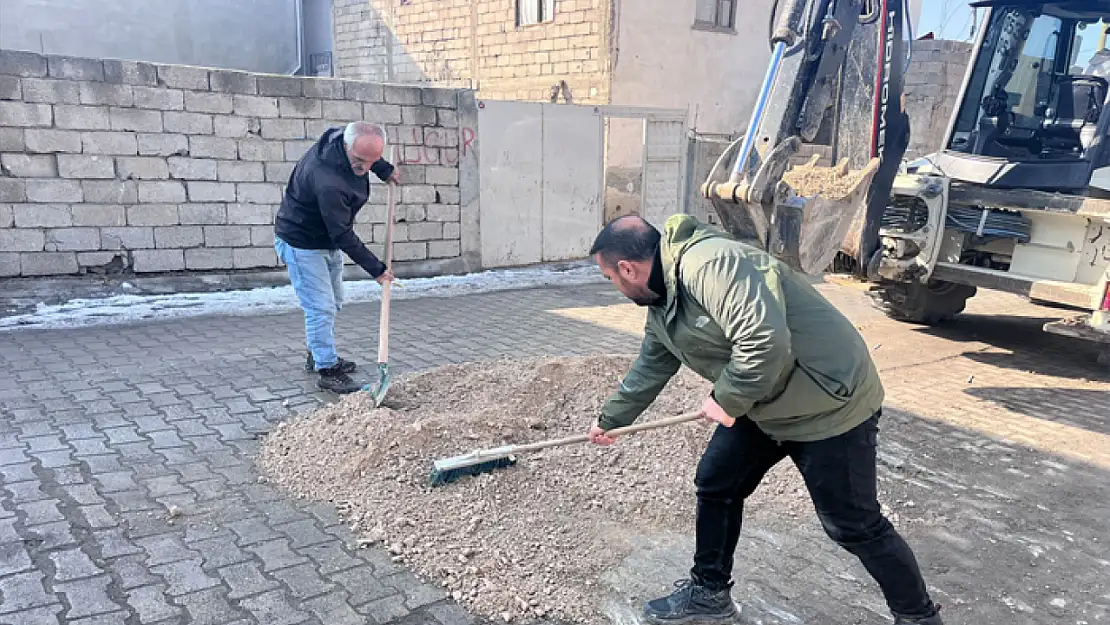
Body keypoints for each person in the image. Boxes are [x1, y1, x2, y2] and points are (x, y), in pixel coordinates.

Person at [586, 214, 943, 625]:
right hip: (767, 400)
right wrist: (612, 418)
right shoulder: (663, 301)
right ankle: (709, 592)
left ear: (628, 268)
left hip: (827, 401)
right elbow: (651, 365)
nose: (615, 286)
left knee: (854, 524)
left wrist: (726, 398)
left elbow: (763, 341)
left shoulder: (711, 265)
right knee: (717, 483)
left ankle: (918, 616)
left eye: (610, 277)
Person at [274, 121, 400, 394]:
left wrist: (385, 169)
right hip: (303, 244)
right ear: (345, 147)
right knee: (321, 307)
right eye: (359, 161)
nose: (365, 168)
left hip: (325, 240)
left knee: (334, 301)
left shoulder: (345, 139)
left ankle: (317, 353)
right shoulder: (327, 179)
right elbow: (342, 234)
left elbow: (368, 155)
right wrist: (377, 270)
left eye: (372, 161)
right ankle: (327, 370)